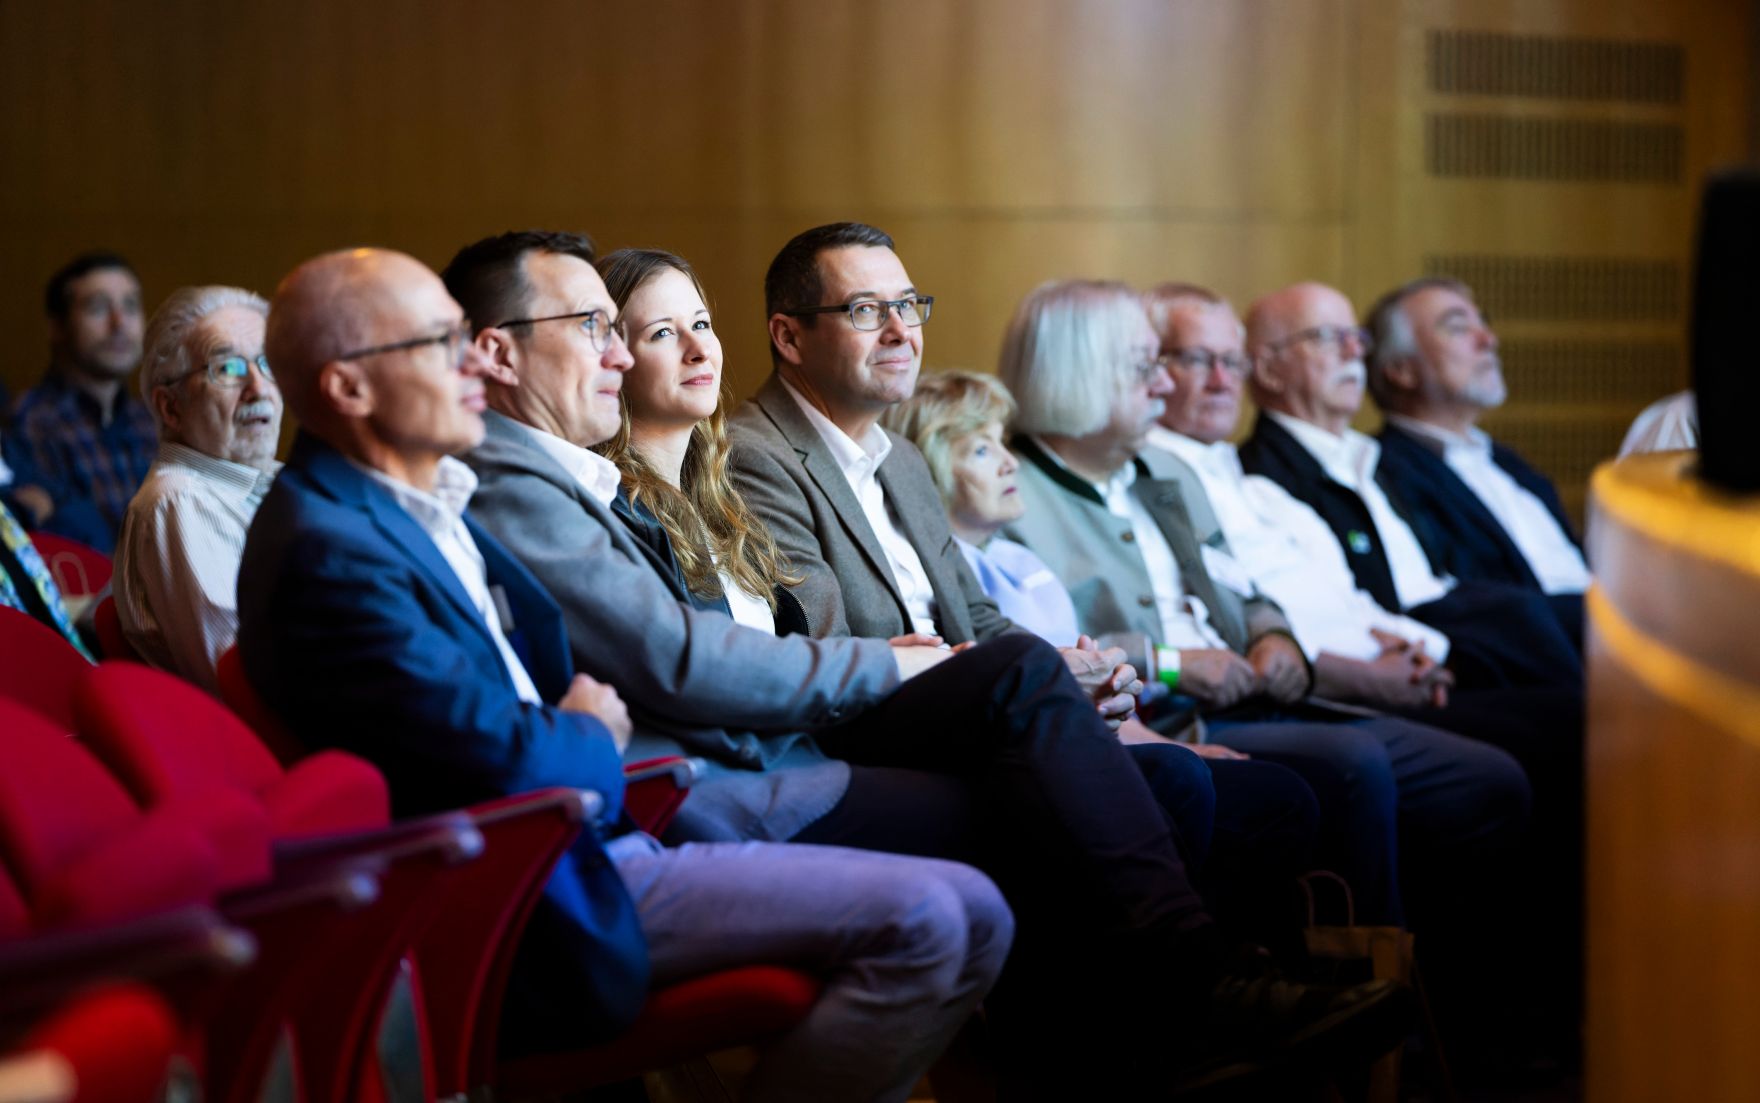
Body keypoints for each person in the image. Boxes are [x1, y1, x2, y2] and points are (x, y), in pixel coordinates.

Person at [447, 233, 1406, 1096]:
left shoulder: (658, 483)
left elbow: (960, 613)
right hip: (727, 773)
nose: (657, 351)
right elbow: (696, 658)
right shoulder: (586, 476)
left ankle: (1145, 1037)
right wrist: (905, 667)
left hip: (776, 743)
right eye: (615, 330)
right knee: (1045, 737)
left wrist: (1083, 686)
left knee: (1135, 765)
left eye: (910, 306)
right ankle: (1182, 1000)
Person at [236, 246, 1013, 1102]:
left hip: (601, 825)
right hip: (535, 889)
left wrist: (580, 728)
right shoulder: (330, 548)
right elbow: (497, 757)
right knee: (944, 914)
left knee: (977, 899)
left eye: (470, 337)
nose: (475, 362)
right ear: (349, 389)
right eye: (441, 343)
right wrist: (585, 730)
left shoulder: (414, 506)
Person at [993, 278, 1530, 935]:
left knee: (1488, 778)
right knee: (1353, 767)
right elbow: (1026, 649)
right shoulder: (1010, 493)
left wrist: (1273, 638)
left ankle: (1457, 999)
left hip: (1258, 698)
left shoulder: (1168, 475)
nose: (1163, 387)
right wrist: (1167, 663)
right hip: (1161, 723)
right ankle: (1368, 1000)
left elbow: (1246, 591)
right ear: (1074, 372)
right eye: (1145, 368)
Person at [1236, 281, 1585, 686]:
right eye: (1328, 338)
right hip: (1415, 652)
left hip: (1459, 631)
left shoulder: (1370, 458)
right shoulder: (1264, 476)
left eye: (1357, 338)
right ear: (1267, 369)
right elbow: (1339, 609)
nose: (1354, 353)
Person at [1361, 278, 1588, 645]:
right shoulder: (1382, 475)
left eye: (1483, 323)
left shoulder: (1508, 462)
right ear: (1402, 370)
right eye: (1458, 327)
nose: (1488, 340)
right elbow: (1473, 611)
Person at [114, 287, 281, 689]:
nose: (259, 388)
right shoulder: (180, 501)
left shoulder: (275, 482)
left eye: (268, 364)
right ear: (171, 407)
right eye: (228, 369)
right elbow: (245, 680)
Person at [4, 252, 156, 553]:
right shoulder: (28, 422)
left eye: (130, 305)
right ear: (58, 327)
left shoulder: (155, 419)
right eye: (98, 308)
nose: (119, 322)